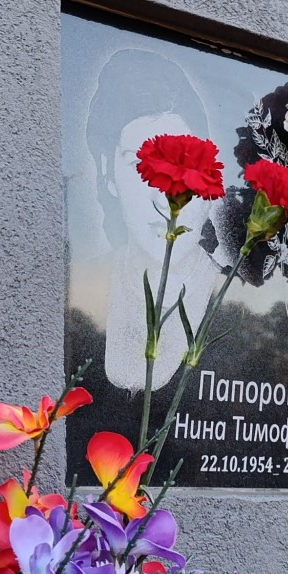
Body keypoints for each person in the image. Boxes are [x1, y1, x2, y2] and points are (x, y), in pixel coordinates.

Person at [80, 47, 221, 393]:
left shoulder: (233, 297)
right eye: (140, 166)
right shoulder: (81, 288)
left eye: (184, 166)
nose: (164, 199)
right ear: (108, 174)